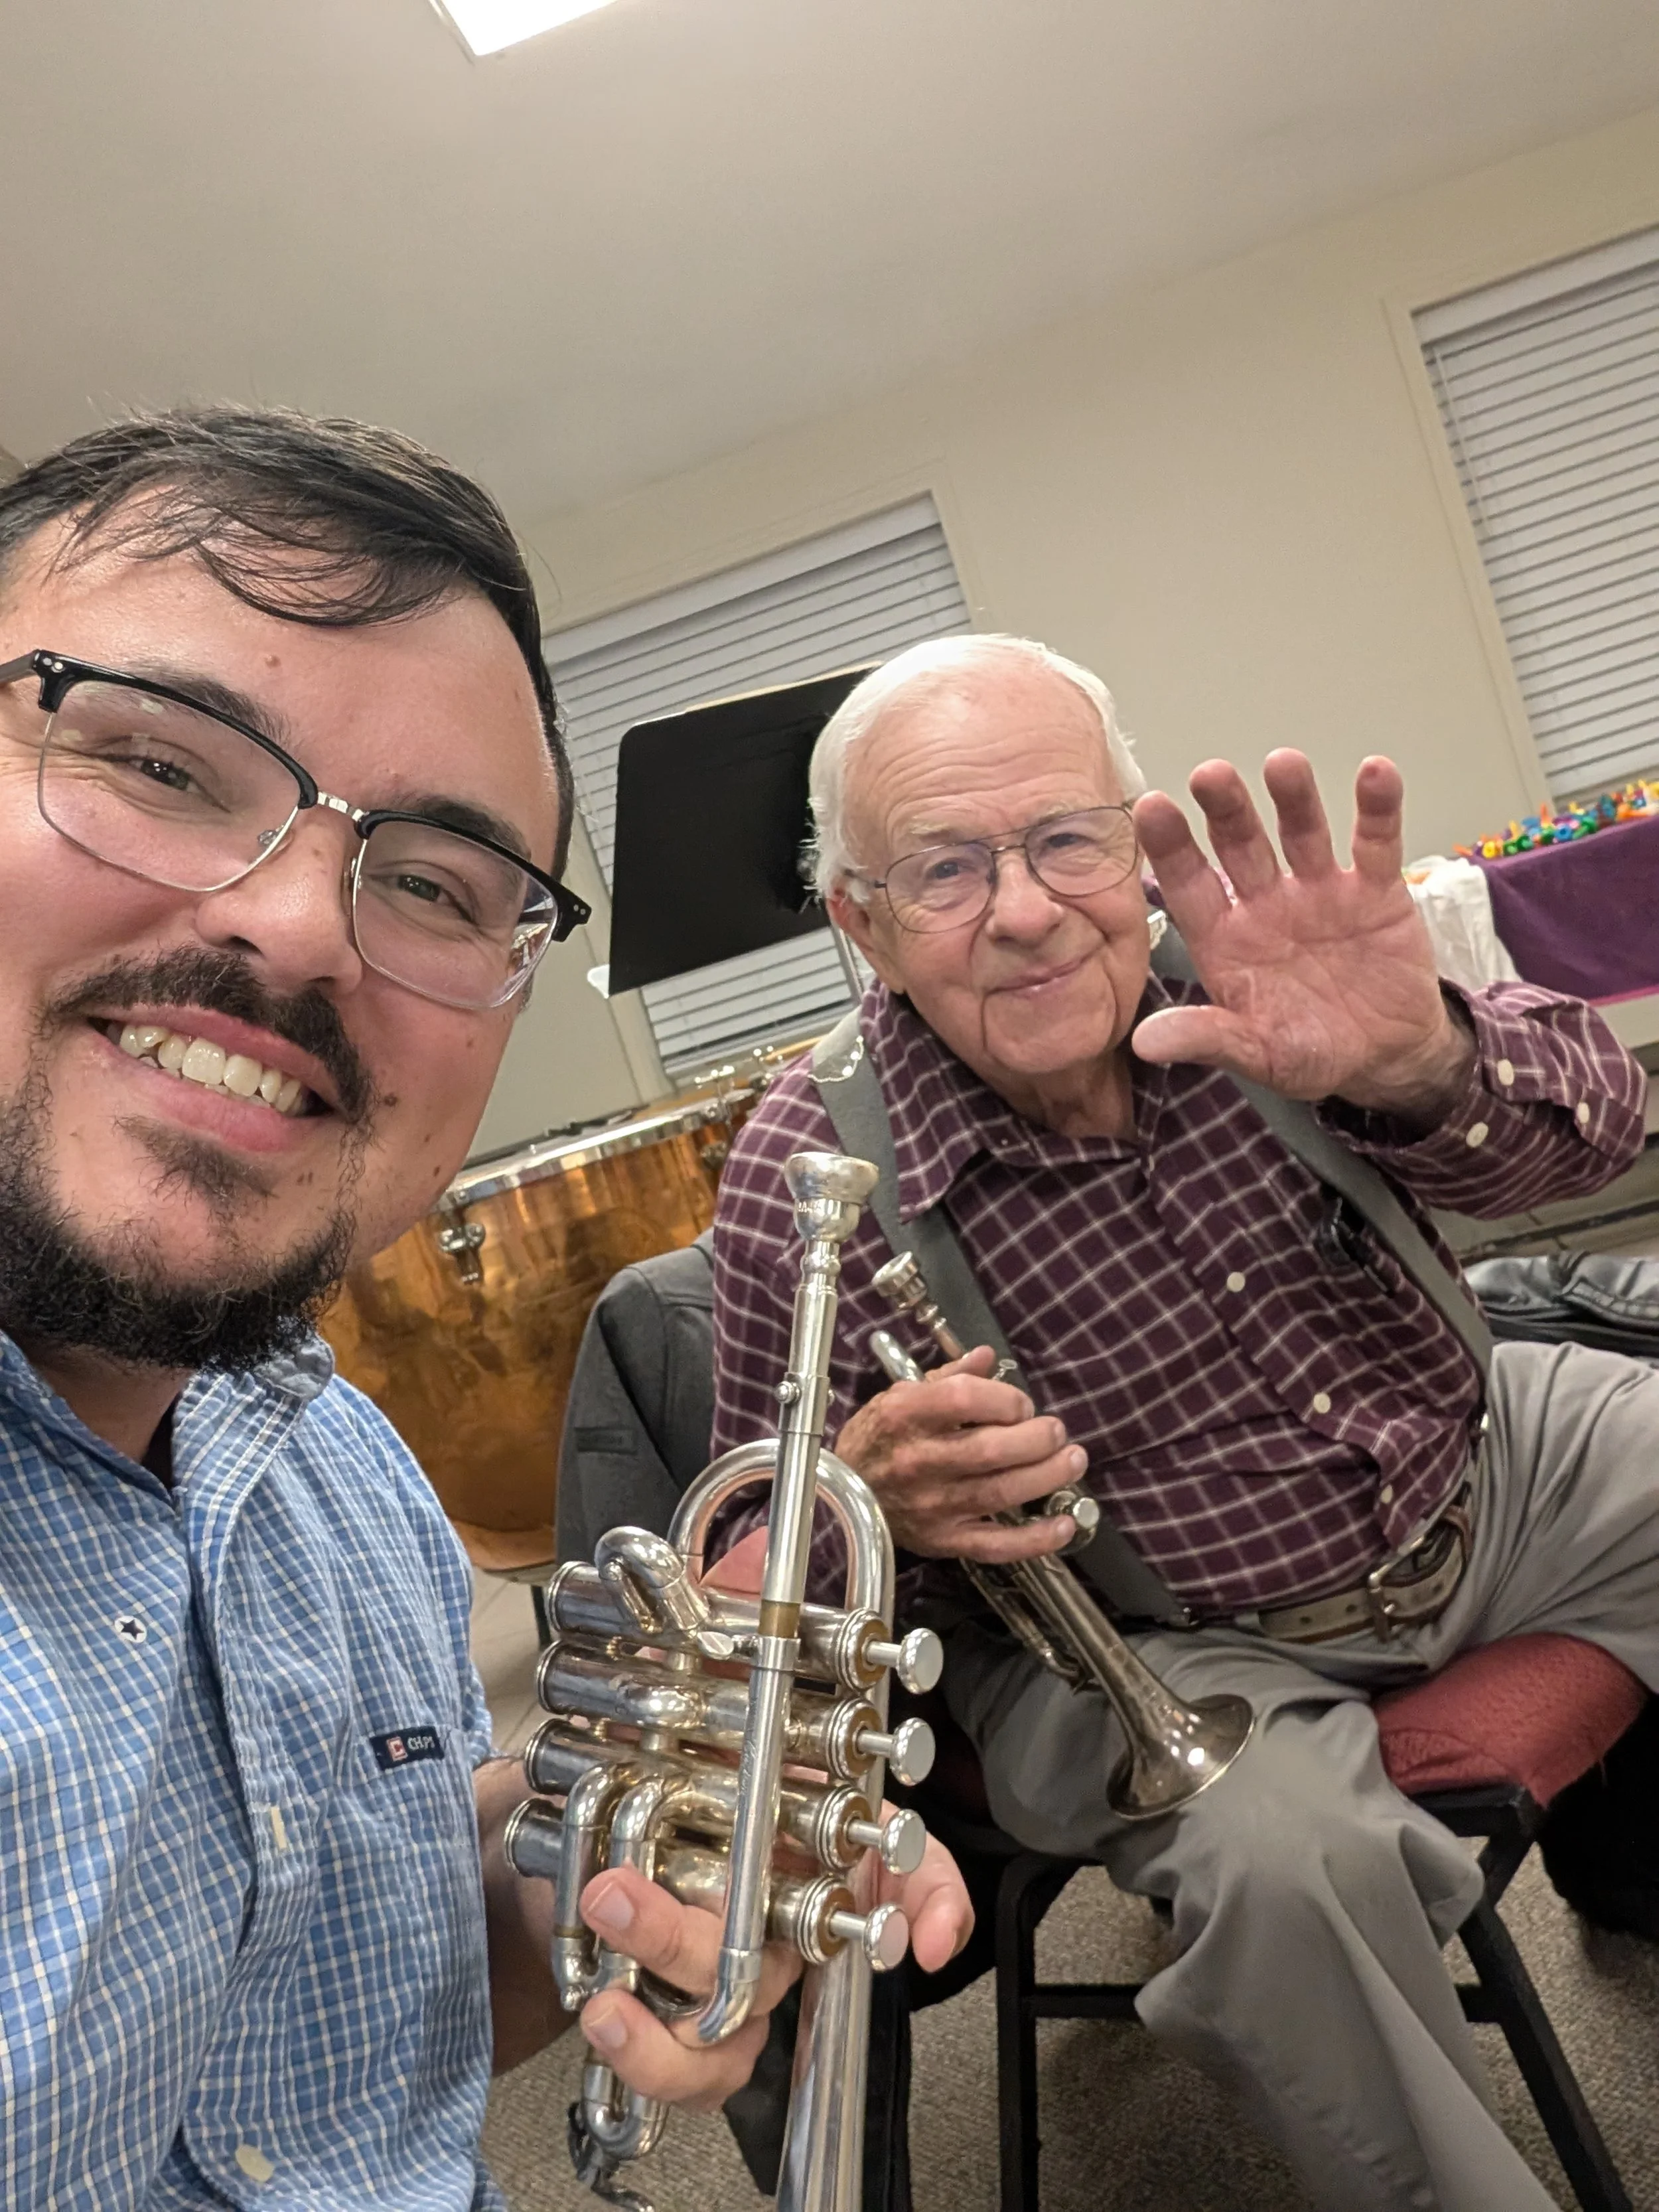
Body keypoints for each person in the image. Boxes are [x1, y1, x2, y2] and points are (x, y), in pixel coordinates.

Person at [0, 407, 970, 2211]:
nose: (298, 923)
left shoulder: (332, 1464)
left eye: (438, 882)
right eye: (157, 760)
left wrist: (649, 1831)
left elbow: (322, 1968)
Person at [711, 632, 1659, 2212]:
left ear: (1138, 839)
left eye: (1063, 840)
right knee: (1284, 1873)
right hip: (1157, 1642)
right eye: (944, 871)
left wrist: (1422, 1057)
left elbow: (1600, 1134)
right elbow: (748, 1577)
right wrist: (861, 1496)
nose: (1022, 911)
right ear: (858, 925)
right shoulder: (806, 1174)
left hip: (1483, 1476)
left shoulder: (1264, 966)